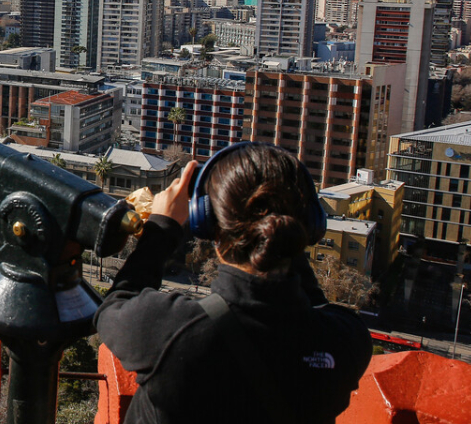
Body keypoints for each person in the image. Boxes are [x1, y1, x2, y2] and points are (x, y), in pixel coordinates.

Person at [96, 143, 371, 423]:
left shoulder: (173, 332)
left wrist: (161, 228)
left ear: (207, 223)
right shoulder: (345, 341)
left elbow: (114, 306)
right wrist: (286, 241)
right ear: (311, 224)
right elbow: (315, 305)